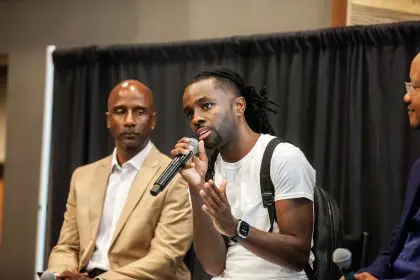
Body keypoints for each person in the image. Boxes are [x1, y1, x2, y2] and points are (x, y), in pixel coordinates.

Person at [171, 68, 316, 279]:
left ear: (239, 106)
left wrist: (235, 227)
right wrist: (196, 190)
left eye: (206, 106)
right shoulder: (209, 170)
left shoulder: (283, 157)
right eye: (190, 113)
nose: (196, 118)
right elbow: (214, 266)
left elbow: (298, 256)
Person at [47, 80, 193, 280]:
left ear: (153, 120)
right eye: (120, 111)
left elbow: (165, 258)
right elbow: (67, 246)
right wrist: (59, 274)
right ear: (108, 119)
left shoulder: (176, 176)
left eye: (140, 112)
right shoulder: (83, 176)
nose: (129, 121)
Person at [341, 54, 420, 280]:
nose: (406, 97)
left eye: (414, 87)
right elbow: (398, 241)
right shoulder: (418, 169)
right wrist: (372, 273)